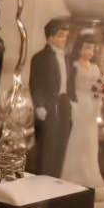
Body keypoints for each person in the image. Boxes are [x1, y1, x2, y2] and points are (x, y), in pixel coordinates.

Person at [61, 32, 104, 196]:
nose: (89, 52)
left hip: (91, 106)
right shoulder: (73, 66)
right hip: (78, 103)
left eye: (92, 49)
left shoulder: (95, 68)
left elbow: (99, 87)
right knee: (77, 138)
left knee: (90, 140)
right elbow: (68, 86)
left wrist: (99, 98)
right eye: (86, 48)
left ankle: (90, 175)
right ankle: (72, 174)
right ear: (79, 48)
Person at [29, 20, 71, 177]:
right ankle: (43, 176)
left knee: (61, 142)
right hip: (48, 105)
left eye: (66, 37)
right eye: (61, 37)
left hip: (63, 103)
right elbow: (36, 83)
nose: (64, 40)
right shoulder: (39, 58)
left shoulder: (66, 58)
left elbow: (69, 81)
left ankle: (56, 175)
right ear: (50, 38)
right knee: (47, 143)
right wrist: (39, 105)